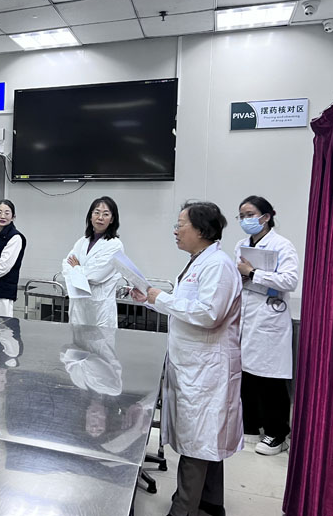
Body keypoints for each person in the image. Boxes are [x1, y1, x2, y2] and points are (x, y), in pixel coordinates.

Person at [131, 201, 242, 516]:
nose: (176, 231)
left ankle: (183, 510)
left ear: (202, 230)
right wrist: (150, 299)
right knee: (207, 440)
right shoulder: (199, 262)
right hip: (194, 367)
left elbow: (208, 314)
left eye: (181, 225)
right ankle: (210, 503)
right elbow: (185, 306)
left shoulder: (218, 265)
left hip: (207, 371)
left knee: (199, 442)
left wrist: (161, 298)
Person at [234, 195, 299, 456]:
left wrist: (253, 274)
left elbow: (290, 280)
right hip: (247, 313)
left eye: (250, 215)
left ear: (266, 216)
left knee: (270, 378)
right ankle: (251, 425)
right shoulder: (241, 245)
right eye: (242, 216)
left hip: (270, 315)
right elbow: (237, 276)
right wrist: (241, 276)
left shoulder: (282, 245)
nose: (245, 220)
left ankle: (278, 433)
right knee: (247, 374)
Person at [62, 196, 124, 327]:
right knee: (77, 339)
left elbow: (96, 276)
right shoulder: (82, 241)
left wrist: (77, 268)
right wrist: (79, 270)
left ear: (112, 219)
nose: (100, 217)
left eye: (105, 214)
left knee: (100, 339)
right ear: (90, 217)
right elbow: (66, 265)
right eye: (96, 213)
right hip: (78, 306)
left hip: (100, 308)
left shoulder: (115, 245)